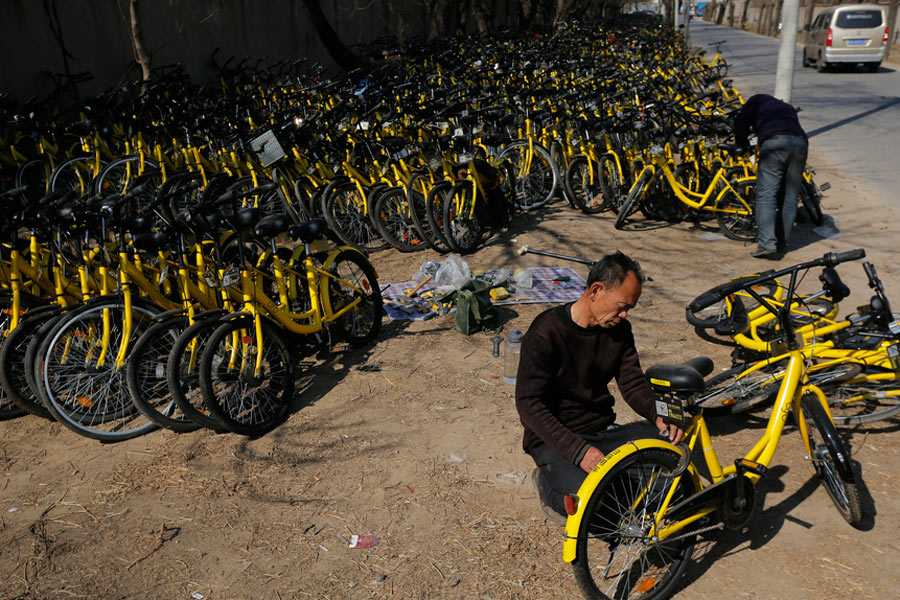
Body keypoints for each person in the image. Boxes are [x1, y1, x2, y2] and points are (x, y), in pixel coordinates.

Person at [515, 251, 683, 525]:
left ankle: (619, 478)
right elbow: (528, 404)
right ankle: (547, 484)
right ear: (595, 291)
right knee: (591, 504)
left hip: (601, 430)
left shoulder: (619, 330)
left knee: (674, 457)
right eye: (621, 305)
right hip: (554, 438)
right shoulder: (545, 333)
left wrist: (658, 413)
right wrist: (579, 452)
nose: (625, 313)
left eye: (630, 307)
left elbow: (632, 382)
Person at [734, 93, 809, 259]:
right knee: (789, 198)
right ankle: (781, 244)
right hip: (801, 143)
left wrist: (741, 143)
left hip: (775, 144)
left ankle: (767, 244)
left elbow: (741, 121)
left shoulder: (756, 99)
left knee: (766, 196)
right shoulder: (786, 108)